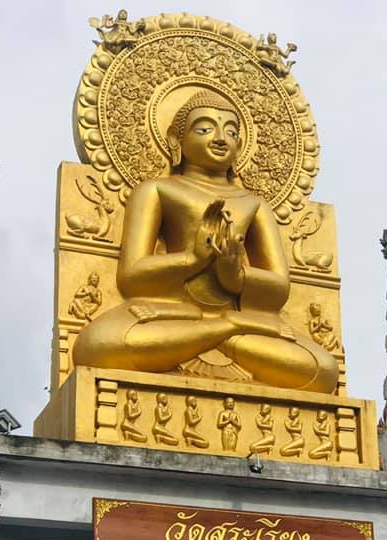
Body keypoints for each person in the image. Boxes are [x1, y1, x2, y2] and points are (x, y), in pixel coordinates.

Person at [72, 90, 338, 393]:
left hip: (236, 324)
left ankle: (224, 329)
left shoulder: (255, 205)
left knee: (323, 370)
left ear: (241, 145)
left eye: (231, 132)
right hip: (174, 315)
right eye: (204, 129)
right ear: (176, 141)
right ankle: (227, 328)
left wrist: (235, 274)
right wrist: (193, 259)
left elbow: (279, 288)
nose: (221, 138)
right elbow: (131, 277)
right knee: (97, 345)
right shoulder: (156, 190)